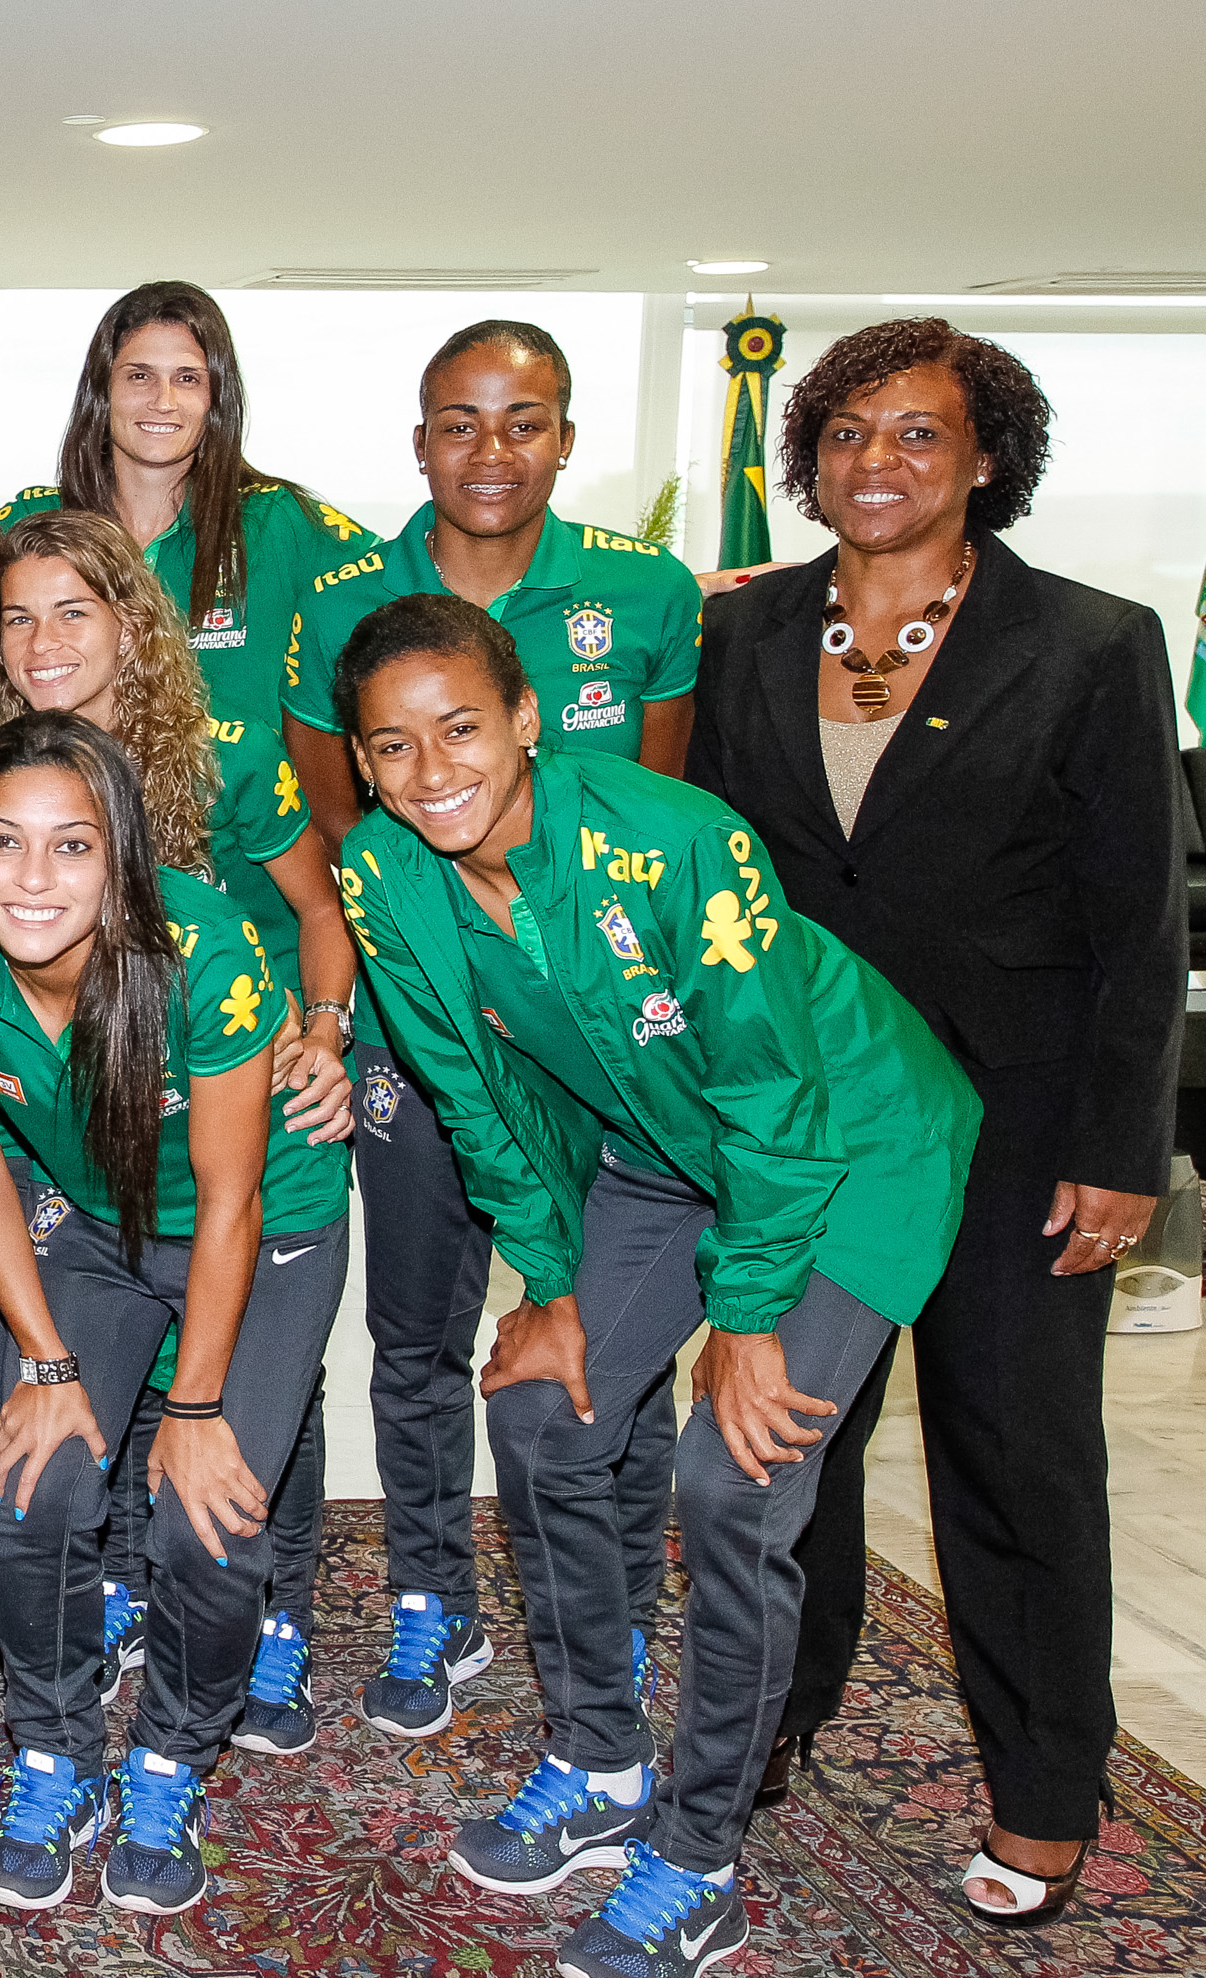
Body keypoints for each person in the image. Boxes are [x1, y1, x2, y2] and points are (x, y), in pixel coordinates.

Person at [333, 592, 975, 1978]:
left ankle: (698, 1853)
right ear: (362, 762)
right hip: (659, 1144)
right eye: (390, 746)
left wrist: (744, 1319)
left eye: (459, 727)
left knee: (731, 1482)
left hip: (840, 1146)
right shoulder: (379, 871)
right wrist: (550, 1279)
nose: (431, 770)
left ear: (525, 717)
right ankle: (597, 1757)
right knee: (543, 1408)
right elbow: (471, 1093)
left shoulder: (678, 843)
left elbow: (772, 1096)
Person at [689, 318, 1181, 1924]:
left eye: (915, 436)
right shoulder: (749, 634)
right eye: (845, 435)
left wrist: (1123, 1147)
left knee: (1015, 1456)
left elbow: (1135, 924)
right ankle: (776, 1710)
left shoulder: (1093, 644)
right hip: (817, 1125)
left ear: (986, 460)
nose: (875, 464)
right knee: (794, 1450)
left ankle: (1045, 1785)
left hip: (1019, 1132)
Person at [278, 321, 704, 1740]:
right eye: (457, 422)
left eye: (524, 420)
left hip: (604, 1046)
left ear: (568, 438)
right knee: (415, 1328)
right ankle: (430, 1598)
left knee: (606, 1325)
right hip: (421, 1017)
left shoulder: (642, 590)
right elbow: (345, 812)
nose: (490, 450)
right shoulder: (343, 594)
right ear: (417, 442)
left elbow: (653, 809)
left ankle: (618, 1616)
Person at [0, 712, 350, 1917]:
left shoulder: (204, 946)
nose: (32, 880)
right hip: (89, 1226)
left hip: (258, 1231)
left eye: (72, 846)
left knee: (207, 1520)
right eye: (2, 842)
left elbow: (234, 1195)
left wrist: (189, 1407)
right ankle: (56, 1754)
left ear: (122, 858)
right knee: (33, 1484)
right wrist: (44, 1365)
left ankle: (168, 1758)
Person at [0, 509, 356, 1751]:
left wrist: (322, 1030)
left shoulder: (227, 751)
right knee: (93, 1398)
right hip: (86, 1138)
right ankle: (137, 1590)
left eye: (72, 612)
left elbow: (319, 904)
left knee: (249, 1398)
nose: (41, 641)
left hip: (239, 1100)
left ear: (131, 624)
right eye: (17, 617)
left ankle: (267, 1618)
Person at [0, 280, 374, 731]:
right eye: (139, 376)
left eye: (188, 378)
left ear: (216, 398)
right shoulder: (33, 525)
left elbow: (407, 598)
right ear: (102, 393)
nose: (163, 401)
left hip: (238, 802)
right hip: (68, 795)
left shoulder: (277, 521)